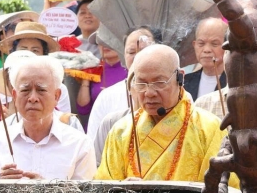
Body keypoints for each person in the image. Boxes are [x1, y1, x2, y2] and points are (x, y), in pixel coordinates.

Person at [95, 44, 226, 182]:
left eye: (159, 82)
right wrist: (123, 191)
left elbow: (220, 192)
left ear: (179, 77)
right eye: (141, 83)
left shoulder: (209, 128)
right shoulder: (121, 131)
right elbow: (104, 188)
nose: (149, 93)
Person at [0, 55, 96, 180]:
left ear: (56, 96)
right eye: (25, 90)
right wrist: (0, 187)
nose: (33, 98)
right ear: (15, 96)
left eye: (41, 90)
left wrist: (47, 190)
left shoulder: (79, 144)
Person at [87, 27, 159, 158]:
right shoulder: (106, 97)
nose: (138, 57)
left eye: (144, 51)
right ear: (124, 55)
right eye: (131, 52)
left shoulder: (175, 94)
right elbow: (93, 150)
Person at [186, 17, 228, 101]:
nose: (207, 50)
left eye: (214, 44)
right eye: (201, 44)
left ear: (226, 46)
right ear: (194, 45)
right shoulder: (184, 83)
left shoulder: (232, 83)